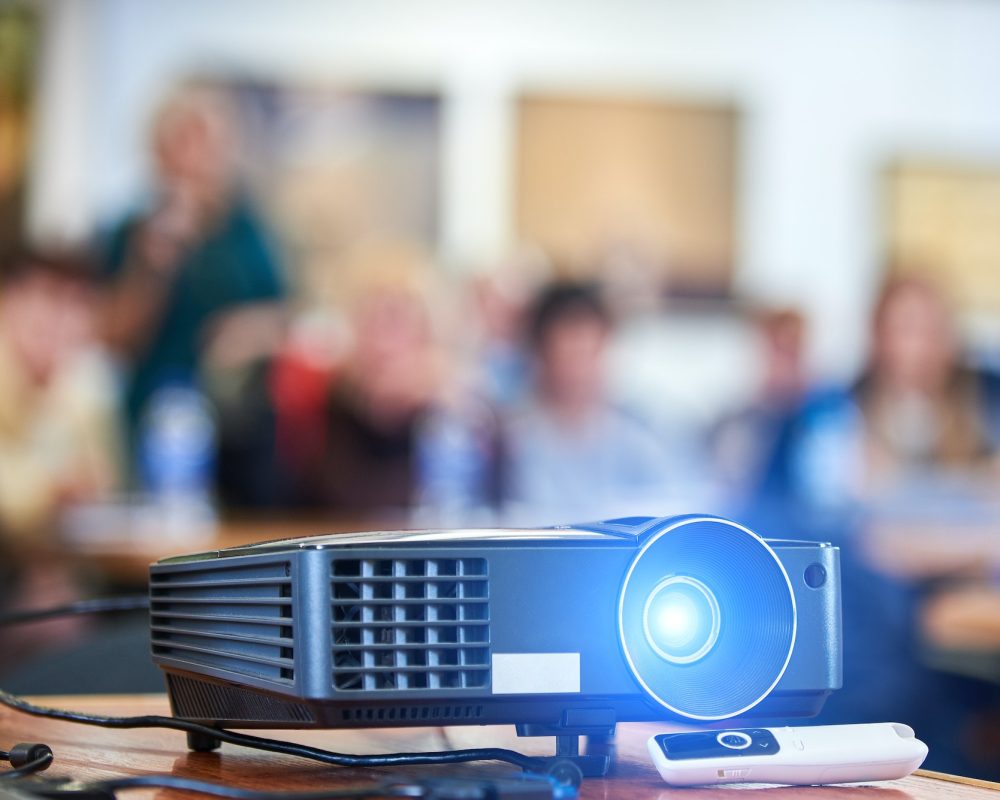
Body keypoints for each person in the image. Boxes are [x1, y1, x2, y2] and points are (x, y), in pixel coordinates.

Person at [101, 81, 286, 478]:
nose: (197, 159)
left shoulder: (248, 231)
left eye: (209, 144)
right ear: (158, 153)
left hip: (239, 426)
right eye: (183, 142)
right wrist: (152, 266)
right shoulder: (131, 234)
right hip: (154, 422)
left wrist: (248, 330)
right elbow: (113, 339)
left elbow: (289, 316)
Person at [0, 248, 120, 670]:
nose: (60, 321)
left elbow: (104, 482)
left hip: (54, 577)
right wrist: (52, 488)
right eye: (48, 300)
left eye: (75, 304)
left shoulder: (74, 382)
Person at [500, 282, 671, 525]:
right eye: (567, 355)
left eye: (589, 353)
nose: (580, 371)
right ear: (542, 354)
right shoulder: (512, 439)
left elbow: (666, 509)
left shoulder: (637, 438)